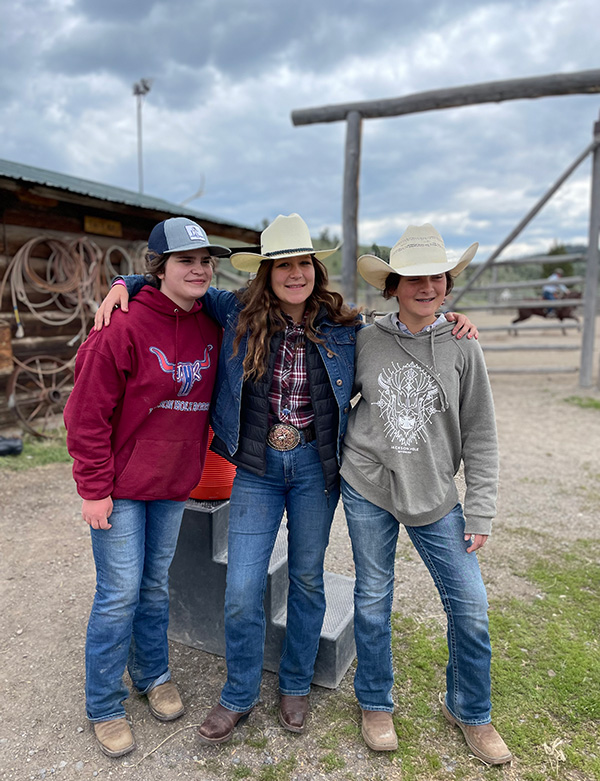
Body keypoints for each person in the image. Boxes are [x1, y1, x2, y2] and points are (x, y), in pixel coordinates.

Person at [95, 213, 478, 746]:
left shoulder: (346, 326)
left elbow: (408, 329)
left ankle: (295, 685)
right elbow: (177, 285)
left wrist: (449, 319)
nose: (294, 273)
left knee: (306, 578)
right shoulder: (235, 312)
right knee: (242, 587)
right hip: (256, 469)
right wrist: (124, 284)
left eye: (303, 263)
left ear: (315, 269)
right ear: (267, 272)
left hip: (314, 471)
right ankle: (239, 693)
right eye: (283, 265)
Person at [340, 223, 511, 765]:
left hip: (435, 492)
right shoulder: (364, 337)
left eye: (435, 276)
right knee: (372, 597)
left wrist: (479, 506)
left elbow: (481, 431)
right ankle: (374, 702)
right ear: (392, 285)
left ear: (447, 283)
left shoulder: (464, 347)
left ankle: (470, 710)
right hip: (368, 484)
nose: (425, 285)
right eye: (412, 277)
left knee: (471, 606)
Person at [64, 218, 227, 757]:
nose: (199, 269)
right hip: (121, 487)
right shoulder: (123, 326)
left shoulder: (212, 324)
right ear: (158, 268)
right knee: (118, 595)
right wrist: (92, 488)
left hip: (173, 484)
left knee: (155, 588)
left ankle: (152, 674)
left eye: (205, 260)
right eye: (186, 261)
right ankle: (104, 704)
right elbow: (85, 414)